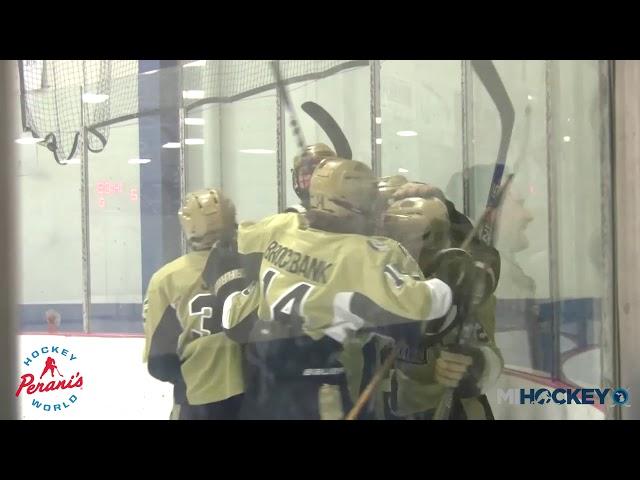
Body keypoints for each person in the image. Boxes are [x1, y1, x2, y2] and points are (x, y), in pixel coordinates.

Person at [221, 158, 467, 420]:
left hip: (267, 382)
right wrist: (450, 277)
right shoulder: (360, 255)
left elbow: (236, 242)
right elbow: (428, 305)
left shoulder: (283, 226)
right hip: (321, 388)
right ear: (358, 206)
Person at [142, 188, 243, 420]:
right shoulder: (252, 264)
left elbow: (159, 363)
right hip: (252, 399)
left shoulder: (166, 278)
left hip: (196, 403)